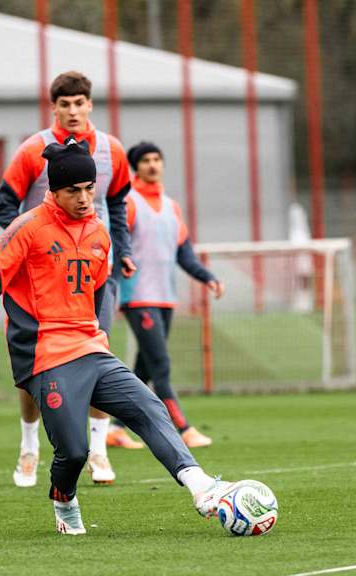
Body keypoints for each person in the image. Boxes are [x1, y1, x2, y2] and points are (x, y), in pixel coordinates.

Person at [0, 139, 234, 535]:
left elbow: (94, 295)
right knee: (74, 452)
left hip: (90, 348)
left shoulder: (99, 235)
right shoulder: (28, 227)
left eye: (90, 188)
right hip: (46, 356)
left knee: (149, 406)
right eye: (73, 190)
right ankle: (64, 500)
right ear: (54, 190)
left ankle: (201, 485)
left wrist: (95, 333)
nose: (84, 198)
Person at [0, 71, 142, 489]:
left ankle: (98, 449)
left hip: (93, 273)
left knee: (97, 354)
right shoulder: (32, 150)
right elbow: (4, 207)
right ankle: (29, 447)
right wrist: (29, 248)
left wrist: (123, 250)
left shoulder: (112, 150)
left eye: (80, 103)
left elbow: (117, 204)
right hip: (40, 282)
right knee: (31, 366)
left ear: (90, 104)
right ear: (53, 107)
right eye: (65, 104)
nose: (73, 111)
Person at [119, 142, 224, 447]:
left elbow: (185, 254)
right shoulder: (128, 203)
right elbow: (116, 245)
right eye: (146, 160)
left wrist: (208, 277)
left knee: (144, 367)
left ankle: (115, 428)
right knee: (161, 365)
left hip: (165, 298)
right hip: (139, 297)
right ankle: (184, 429)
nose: (152, 165)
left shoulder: (171, 207)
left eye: (157, 159)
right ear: (136, 167)